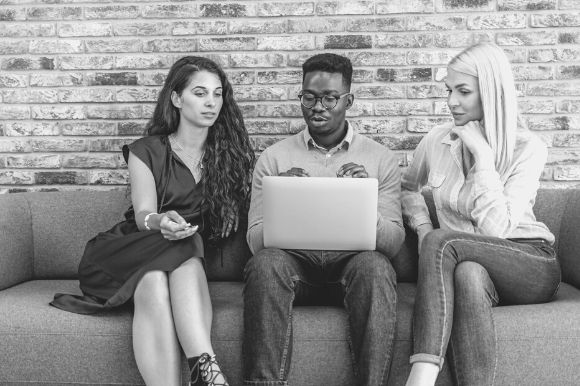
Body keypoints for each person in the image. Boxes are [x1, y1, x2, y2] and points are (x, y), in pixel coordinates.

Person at [51, 56, 255, 386]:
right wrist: (162, 221)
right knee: (187, 241)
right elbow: (143, 213)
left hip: (174, 261)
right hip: (127, 249)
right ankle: (209, 373)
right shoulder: (145, 151)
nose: (211, 102)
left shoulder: (226, 159)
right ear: (176, 99)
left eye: (218, 94)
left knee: (156, 281)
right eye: (200, 93)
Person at [402, 42, 562, 386]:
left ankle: (420, 378)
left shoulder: (528, 147)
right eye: (448, 90)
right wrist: (422, 226)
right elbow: (407, 187)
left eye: (463, 91)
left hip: (528, 260)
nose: (451, 102)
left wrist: (483, 158)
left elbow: (497, 229)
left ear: (489, 93)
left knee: (441, 242)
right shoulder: (437, 140)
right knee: (468, 273)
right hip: (472, 265)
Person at [243, 53, 405, 386]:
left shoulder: (380, 159)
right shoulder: (274, 158)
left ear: (349, 100)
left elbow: (392, 243)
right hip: (293, 271)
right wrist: (284, 201)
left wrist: (363, 200)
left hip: (353, 271)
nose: (318, 107)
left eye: (330, 98)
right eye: (309, 97)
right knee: (265, 263)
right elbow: (254, 240)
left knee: (376, 266)